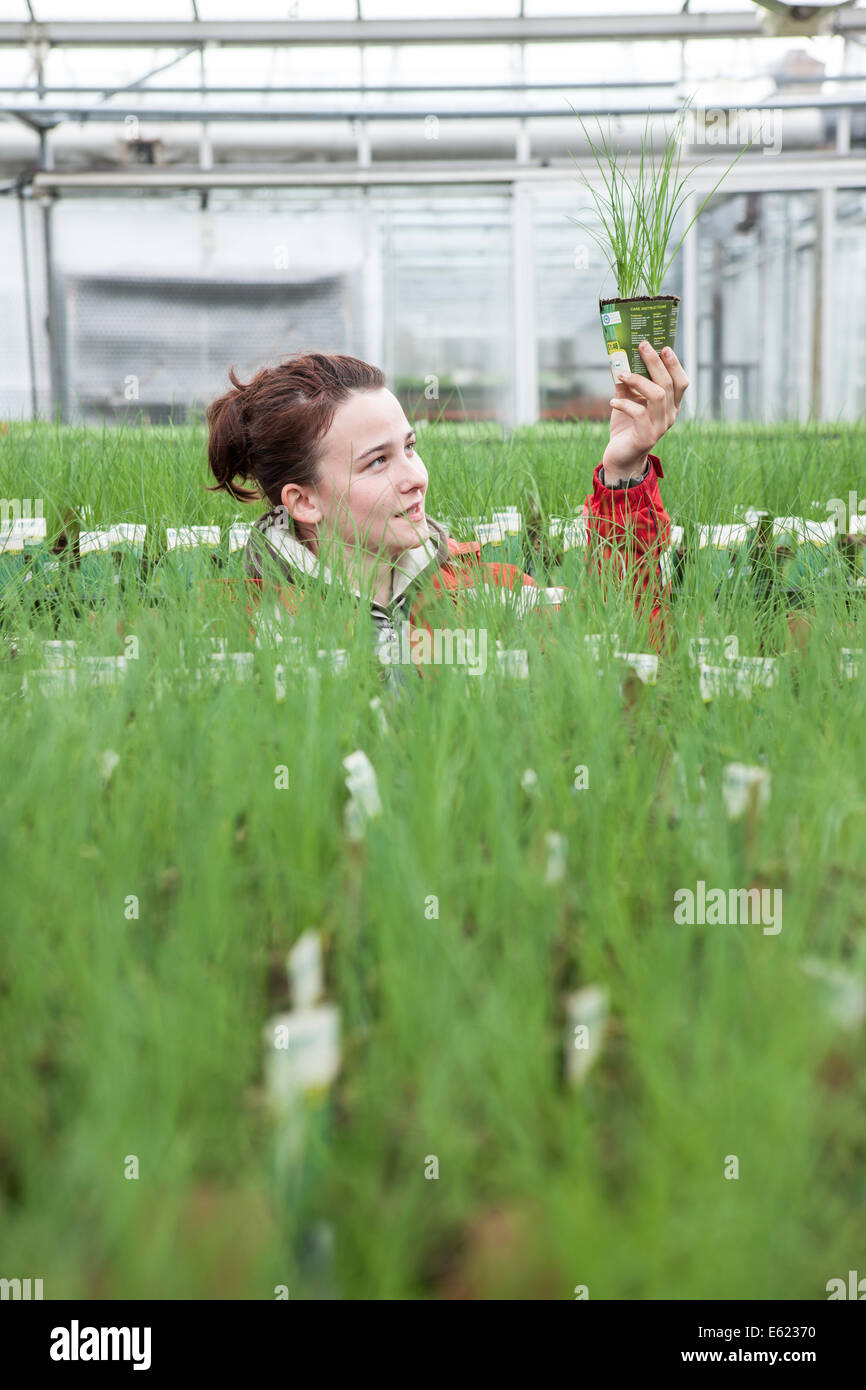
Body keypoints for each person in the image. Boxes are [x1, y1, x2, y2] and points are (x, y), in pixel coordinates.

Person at [205, 344, 688, 677]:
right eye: (378, 461)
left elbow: (622, 654)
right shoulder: (240, 625)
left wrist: (625, 471)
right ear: (304, 501)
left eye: (409, 447)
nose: (416, 476)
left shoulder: (489, 591)